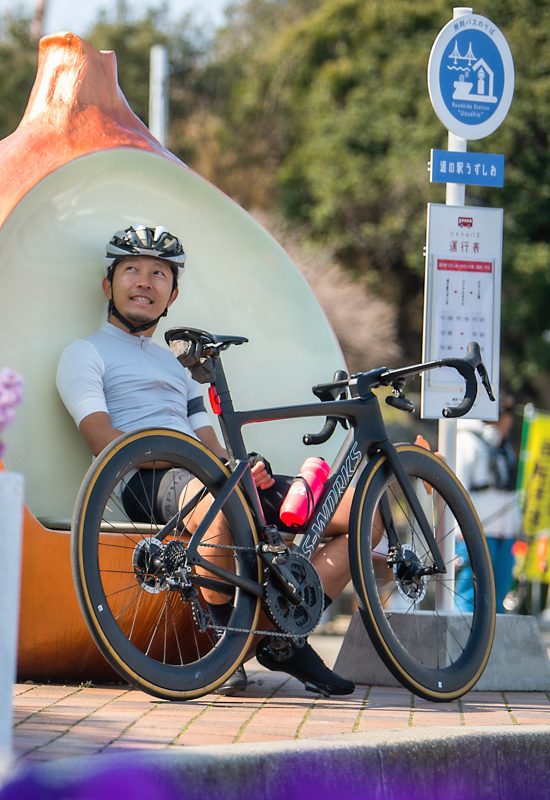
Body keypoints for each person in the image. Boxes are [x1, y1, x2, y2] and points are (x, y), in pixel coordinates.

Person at [55, 223, 358, 697]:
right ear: (107, 285)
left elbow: (211, 444)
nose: (143, 282)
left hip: (204, 473)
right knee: (220, 495)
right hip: (145, 478)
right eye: (131, 269)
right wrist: (211, 469)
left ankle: (285, 635)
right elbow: (103, 440)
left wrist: (242, 466)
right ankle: (229, 645)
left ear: (172, 294)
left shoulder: (178, 368)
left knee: (359, 515)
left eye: (159, 274)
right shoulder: (84, 353)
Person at [455, 394, 521, 612]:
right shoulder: (468, 439)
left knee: (499, 595)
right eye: (503, 415)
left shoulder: (505, 447)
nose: (507, 421)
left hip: (504, 531)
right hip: (477, 529)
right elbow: (459, 484)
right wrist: (460, 525)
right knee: (470, 593)